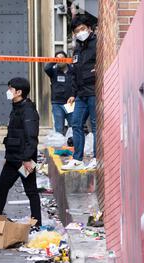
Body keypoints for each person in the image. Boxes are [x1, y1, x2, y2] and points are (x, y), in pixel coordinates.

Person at [0, 78, 42, 228]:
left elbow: (31, 137)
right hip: (13, 159)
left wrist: (27, 159)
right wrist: (8, 157)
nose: (8, 92)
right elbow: (14, 135)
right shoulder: (16, 107)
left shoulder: (28, 110)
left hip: (24, 160)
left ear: (19, 92)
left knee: (31, 191)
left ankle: (37, 224)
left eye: (10, 89)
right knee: (1, 187)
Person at [62, 15, 97, 171]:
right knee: (76, 124)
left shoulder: (97, 44)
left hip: (94, 92)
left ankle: (97, 158)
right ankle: (77, 159)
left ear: (89, 28)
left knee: (96, 127)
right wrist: (72, 93)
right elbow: (74, 73)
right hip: (81, 95)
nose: (80, 32)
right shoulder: (77, 49)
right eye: (77, 31)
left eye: (83, 29)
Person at [44, 51, 74, 135]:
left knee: (73, 126)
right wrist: (54, 60)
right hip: (57, 103)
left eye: (62, 58)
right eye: (58, 58)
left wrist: (73, 95)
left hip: (70, 103)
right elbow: (46, 68)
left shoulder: (72, 70)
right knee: (59, 128)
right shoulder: (53, 71)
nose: (60, 60)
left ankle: (72, 144)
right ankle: (60, 146)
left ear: (66, 59)